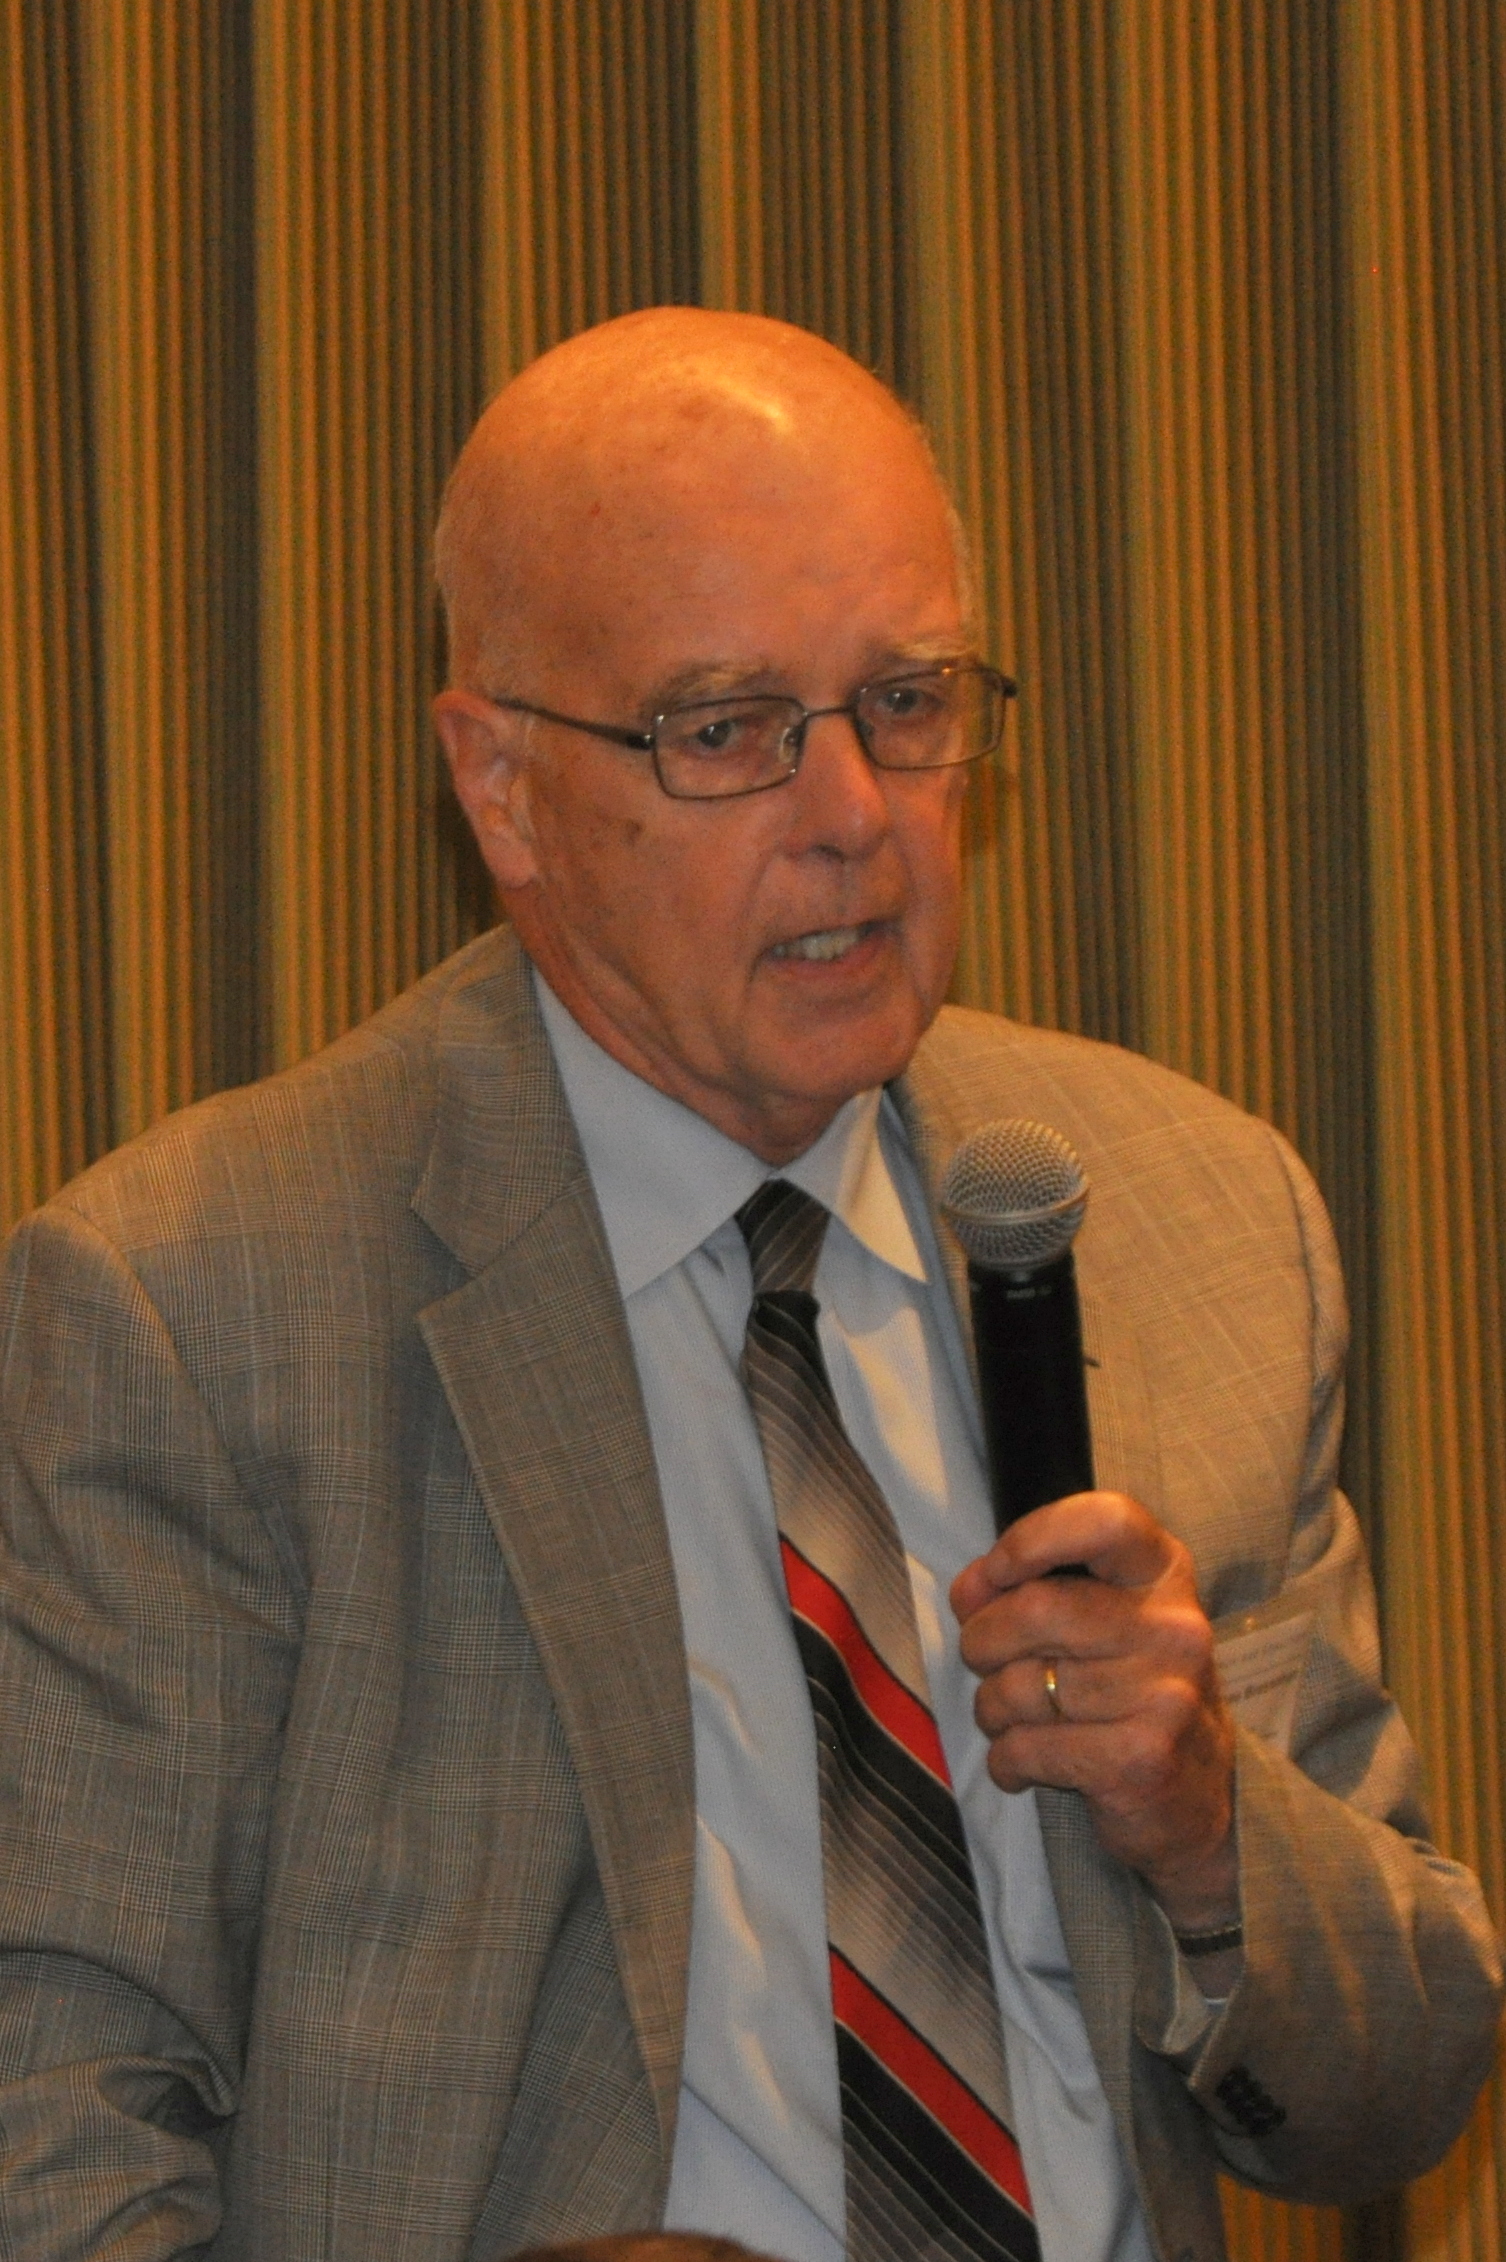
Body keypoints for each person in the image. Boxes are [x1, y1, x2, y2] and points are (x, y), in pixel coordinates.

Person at [0, 307, 1496, 2262]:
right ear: (501, 786)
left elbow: (1404, 2083)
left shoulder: (1193, 1221)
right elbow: (53, 2133)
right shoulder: (193, 1313)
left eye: (906, 701)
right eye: (726, 731)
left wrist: (1210, 1828)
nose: (855, 813)